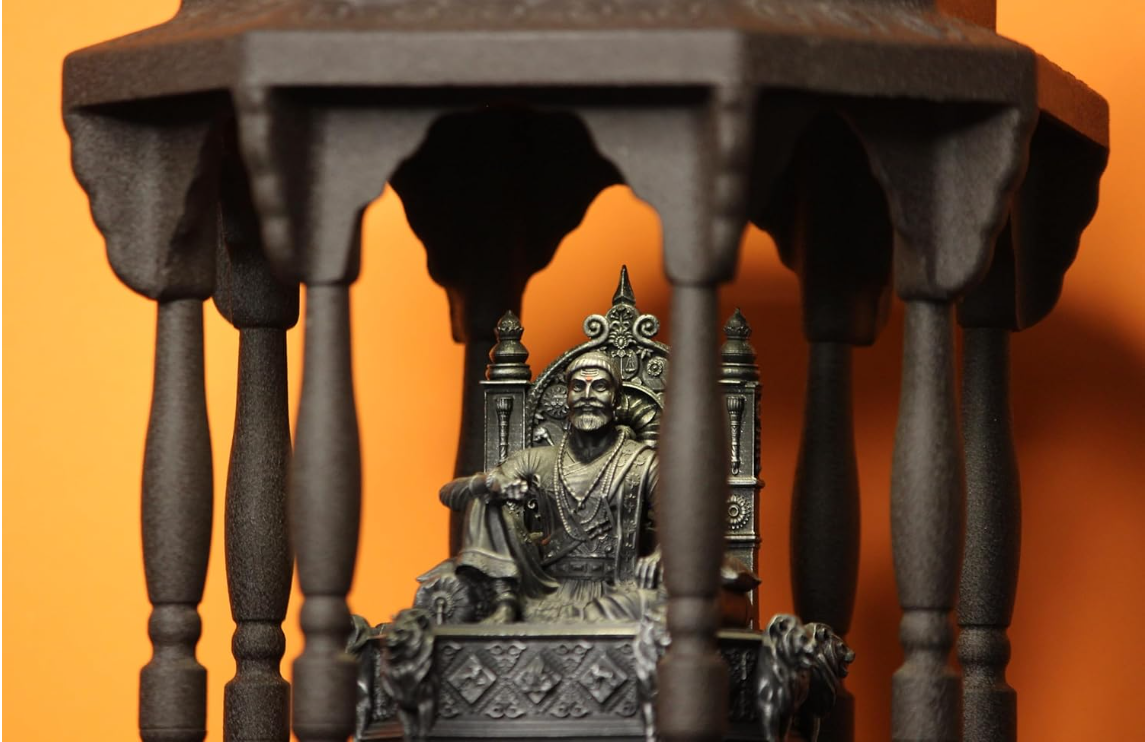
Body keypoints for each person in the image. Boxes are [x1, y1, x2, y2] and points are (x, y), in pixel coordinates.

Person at [435, 350, 663, 623]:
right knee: (485, 499)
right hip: (543, 588)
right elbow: (449, 494)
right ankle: (506, 600)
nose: (587, 396)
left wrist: (661, 555)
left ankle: (575, 617)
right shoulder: (536, 459)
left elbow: (683, 524)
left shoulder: (643, 461)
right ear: (567, 398)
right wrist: (491, 483)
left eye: (599, 387)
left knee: (659, 605)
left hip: (617, 592)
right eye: (578, 387)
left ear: (616, 399)